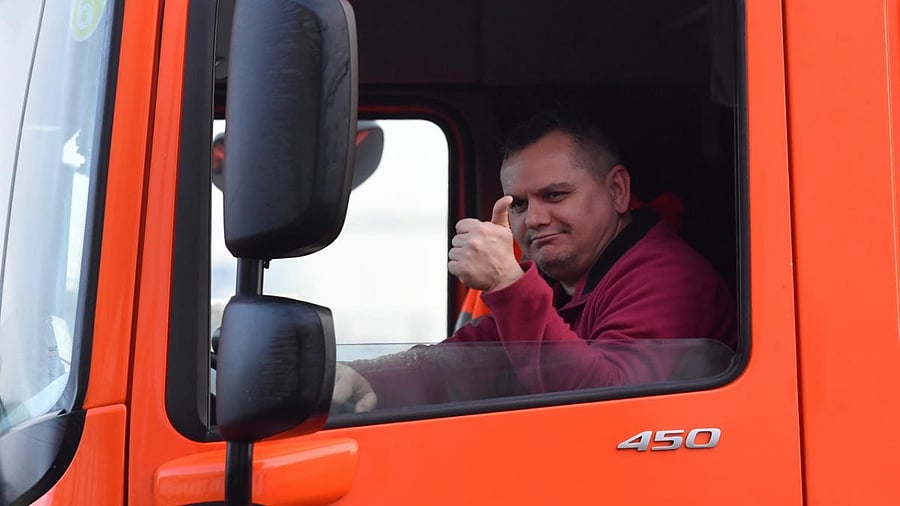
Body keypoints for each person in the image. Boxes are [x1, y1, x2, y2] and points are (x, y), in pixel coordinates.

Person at [332, 111, 737, 413]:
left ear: (617, 190)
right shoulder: (561, 282)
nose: (535, 219)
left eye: (556, 195)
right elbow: (469, 363)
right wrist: (366, 377)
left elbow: (607, 410)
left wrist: (508, 285)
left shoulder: (666, 278)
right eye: (520, 205)